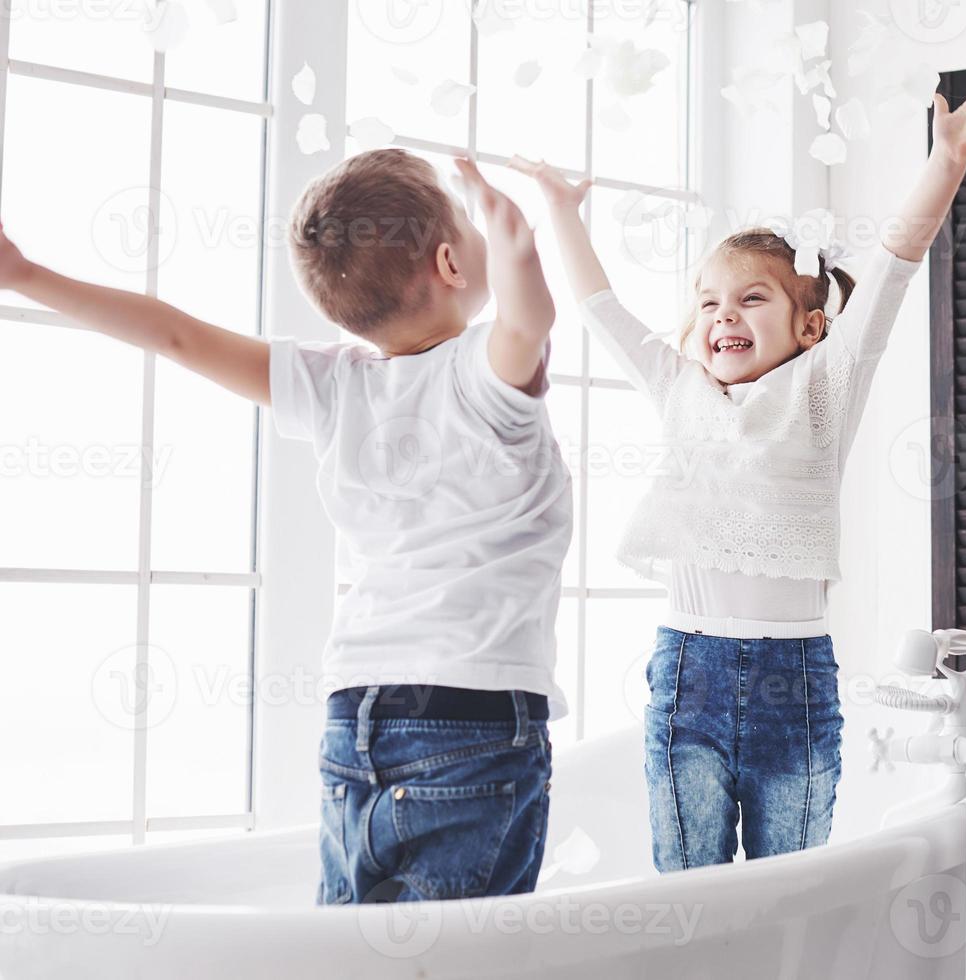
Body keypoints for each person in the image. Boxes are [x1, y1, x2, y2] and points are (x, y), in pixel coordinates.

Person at [0, 148, 573, 903]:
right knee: (464, 956)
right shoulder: (481, 372)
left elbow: (176, 336)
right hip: (470, 714)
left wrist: (26, 275)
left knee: (351, 951)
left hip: (354, 715)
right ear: (451, 264)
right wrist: (519, 243)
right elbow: (529, 323)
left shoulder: (333, 385)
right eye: (466, 224)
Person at [517, 83, 966, 870]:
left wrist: (949, 158)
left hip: (796, 684)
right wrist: (560, 209)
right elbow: (598, 307)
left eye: (752, 299)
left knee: (789, 884)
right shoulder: (678, 389)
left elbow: (894, 266)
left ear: (810, 326)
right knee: (690, 893)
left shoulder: (824, 388)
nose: (725, 316)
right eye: (710, 302)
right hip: (688, 673)